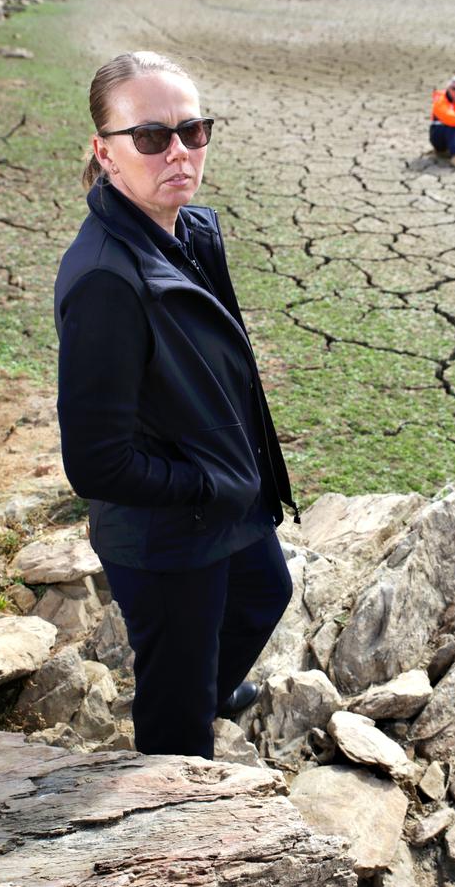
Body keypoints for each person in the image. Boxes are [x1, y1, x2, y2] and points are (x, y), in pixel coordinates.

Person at [55, 51, 298, 760]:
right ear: (106, 151)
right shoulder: (105, 277)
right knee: (177, 722)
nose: (181, 153)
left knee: (263, 595)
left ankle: (209, 686)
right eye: (153, 137)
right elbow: (95, 463)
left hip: (223, 491)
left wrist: (236, 473)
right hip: (166, 534)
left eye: (194, 131)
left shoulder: (190, 230)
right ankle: (172, 809)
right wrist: (204, 484)